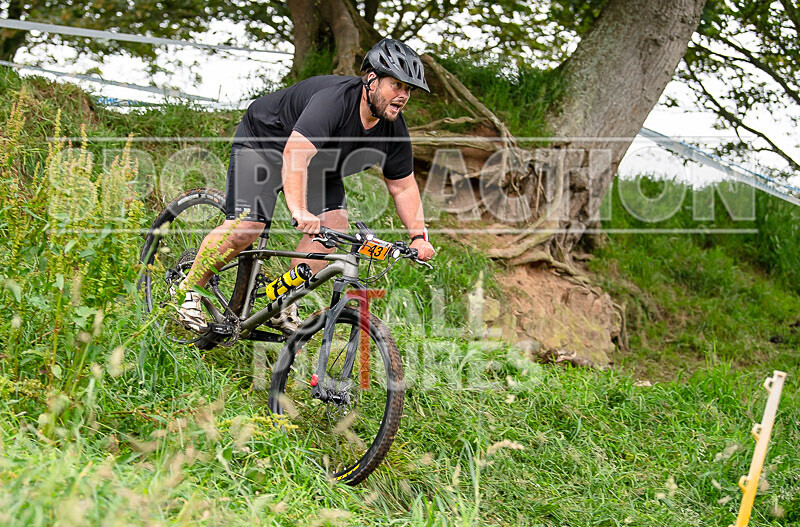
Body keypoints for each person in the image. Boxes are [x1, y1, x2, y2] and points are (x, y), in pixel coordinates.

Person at [177, 38, 435, 334]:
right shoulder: (334, 102)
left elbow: (403, 187)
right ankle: (189, 290)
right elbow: (295, 154)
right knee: (247, 227)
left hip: (319, 165)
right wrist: (299, 209)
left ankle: (282, 301)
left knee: (333, 228)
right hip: (264, 144)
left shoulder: (394, 130)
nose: (403, 95)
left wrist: (418, 237)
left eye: (408, 89)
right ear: (372, 80)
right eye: (396, 85)